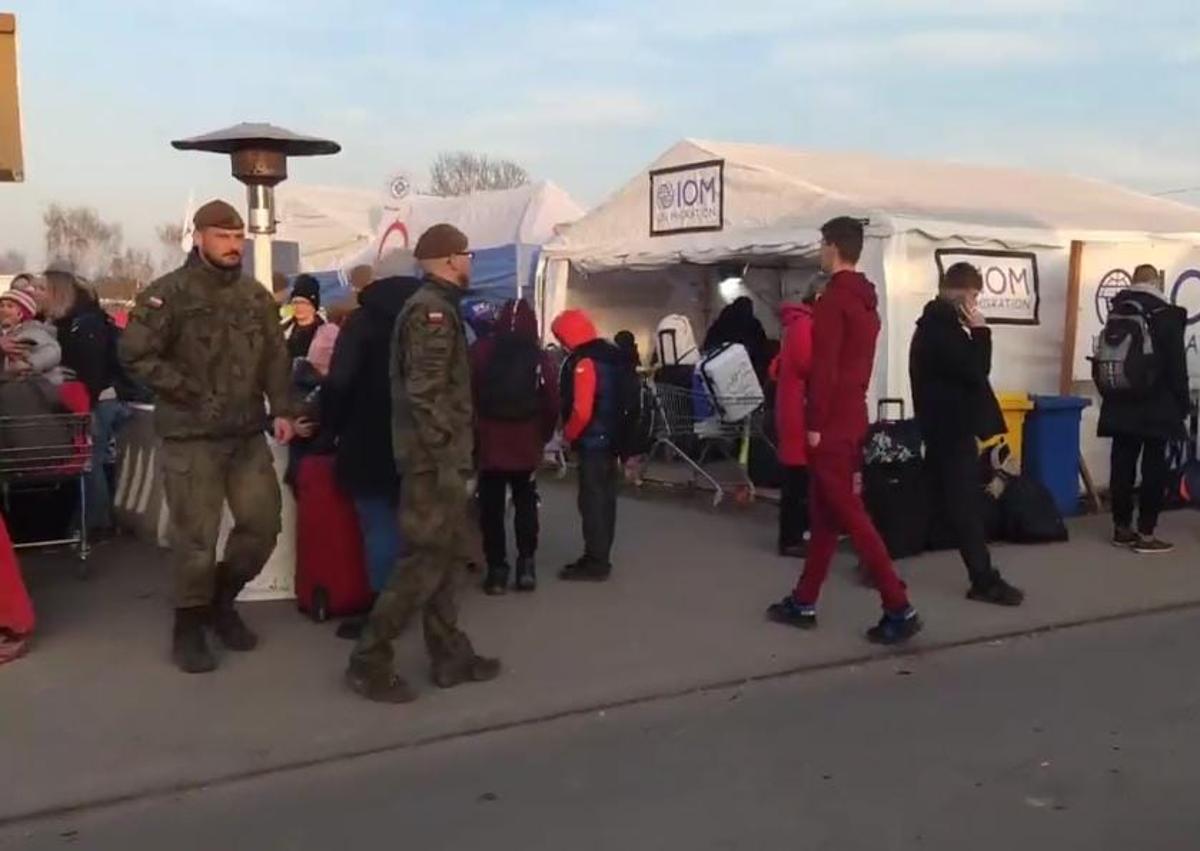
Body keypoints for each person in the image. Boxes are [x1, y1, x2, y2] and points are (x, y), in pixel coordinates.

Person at [119, 199, 298, 675]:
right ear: (199, 237)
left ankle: (221, 599)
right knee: (195, 537)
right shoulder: (169, 293)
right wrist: (188, 391)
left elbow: (276, 358)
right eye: (222, 236)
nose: (233, 245)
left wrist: (282, 408)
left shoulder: (255, 296)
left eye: (238, 237)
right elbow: (135, 354)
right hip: (191, 434)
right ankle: (190, 623)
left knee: (262, 526)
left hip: (244, 433)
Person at [346, 224, 500, 704]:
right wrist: (447, 454)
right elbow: (427, 393)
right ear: (452, 259)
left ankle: (449, 652)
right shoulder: (432, 312)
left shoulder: (434, 307)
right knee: (421, 563)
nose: (471, 262)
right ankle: (369, 659)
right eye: (468, 254)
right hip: (434, 462)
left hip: (438, 457)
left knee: (448, 560)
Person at [767, 217, 922, 645]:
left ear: (833, 246)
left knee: (850, 514)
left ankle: (897, 603)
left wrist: (814, 423)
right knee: (825, 515)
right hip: (853, 412)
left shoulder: (834, 300)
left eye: (821, 243)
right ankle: (804, 599)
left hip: (832, 420)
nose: (819, 250)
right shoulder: (867, 302)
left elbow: (825, 368)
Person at [910, 262, 1025, 605]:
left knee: (926, 497)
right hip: (951, 428)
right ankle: (983, 579)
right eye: (974, 296)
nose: (976, 305)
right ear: (961, 294)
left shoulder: (932, 327)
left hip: (940, 425)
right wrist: (981, 332)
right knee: (964, 507)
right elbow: (976, 370)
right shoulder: (942, 330)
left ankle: (878, 558)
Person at [322, 274, 422, 617]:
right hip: (423, 438)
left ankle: (384, 608)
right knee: (421, 527)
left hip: (368, 436)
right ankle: (424, 604)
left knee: (378, 524)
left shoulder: (362, 323)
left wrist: (327, 428)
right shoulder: (429, 317)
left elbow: (340, 380)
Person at [1098, 263, 1189, 554]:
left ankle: (1121, 528)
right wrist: (1182, 404)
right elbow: (1177, 366)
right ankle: (1147, 534)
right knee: (1153, 467)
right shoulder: (1166, 314)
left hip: (1119, 400)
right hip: (1155, 406)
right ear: (1157, 283)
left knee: (1121, 463)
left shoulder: (1118, 310)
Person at [471, 298, 559, 594]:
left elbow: (468, 394)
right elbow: (552, 401)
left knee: (491, 507)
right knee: (526, 502)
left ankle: (497, 569)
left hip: (490, 440)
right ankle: (526, 566)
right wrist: (542, 436)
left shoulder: (481, 351)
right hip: (525, 439)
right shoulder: (538, 356)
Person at [42, 270, 135, 537]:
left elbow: (92, 371)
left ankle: (98, 524)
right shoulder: (74, 323)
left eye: (43, 290)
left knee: (90, 463)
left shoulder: (85, 325)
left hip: (96, 403)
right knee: (90, 462)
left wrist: (88, 407)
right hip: (91, 400)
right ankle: (91, 521)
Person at [552, 308, 624, 582]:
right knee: (606, 500)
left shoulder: (585, 363)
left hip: (593, 441)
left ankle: (595, 561)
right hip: (611, 438)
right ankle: (601, 554)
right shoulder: (611, 356)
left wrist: (568, 435)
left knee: (591, 501)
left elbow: (582, 410)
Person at [773, 297, 814, 558]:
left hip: (792, 409)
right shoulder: (805, 326)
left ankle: (795, 534)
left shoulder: (796, 325)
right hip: (799, 412)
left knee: (797, 479)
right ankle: (791, 538)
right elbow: (809, 365)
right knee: (797, 481)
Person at [0, 288, 62, 383]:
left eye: (10, 306)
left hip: (30, 387)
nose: (3, 309)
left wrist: (29, 364)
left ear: (22, 313)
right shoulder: (3, 334)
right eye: (1, 305)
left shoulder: (33, 331)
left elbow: (52, 350)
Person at [703, 295, 771, 379]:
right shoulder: (753, 324)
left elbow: (709, 344)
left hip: (720, 367)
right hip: (746, 367)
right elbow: (761, 347)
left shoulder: (721, 321)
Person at [284, 274, 339, 377]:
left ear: (314, 305)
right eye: (295, 302)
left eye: (304, 303)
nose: (299, 307)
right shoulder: (284, 330)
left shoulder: (328, 333)